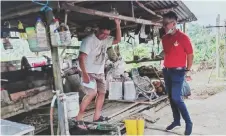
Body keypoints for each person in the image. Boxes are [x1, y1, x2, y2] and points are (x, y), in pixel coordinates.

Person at [75, 18, 121, 130]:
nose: (104, 36)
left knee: (101, 93)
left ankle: (96, 117)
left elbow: (118, 40)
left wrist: (118, 25)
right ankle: (78, 120)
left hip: (100, 72)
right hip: (88, 72)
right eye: (103, 33)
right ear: (98, 29)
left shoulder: (107, 39)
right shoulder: (88, 40)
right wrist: (85, 74)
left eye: (107, 34)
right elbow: (81, 58)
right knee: (91, 94)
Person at [161, 11, 194, 135]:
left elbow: (190, 54)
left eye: (166, 24)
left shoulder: (183, 37)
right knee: (171, 97)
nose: (164, 26)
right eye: (163, 24)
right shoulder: (165, 38)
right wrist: (169, 38)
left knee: (176, 97)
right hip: (167, 71)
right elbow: (167, 51)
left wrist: (188, 69)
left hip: (178, 71)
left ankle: (189, 122)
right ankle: (176, 121)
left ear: (174, 23)